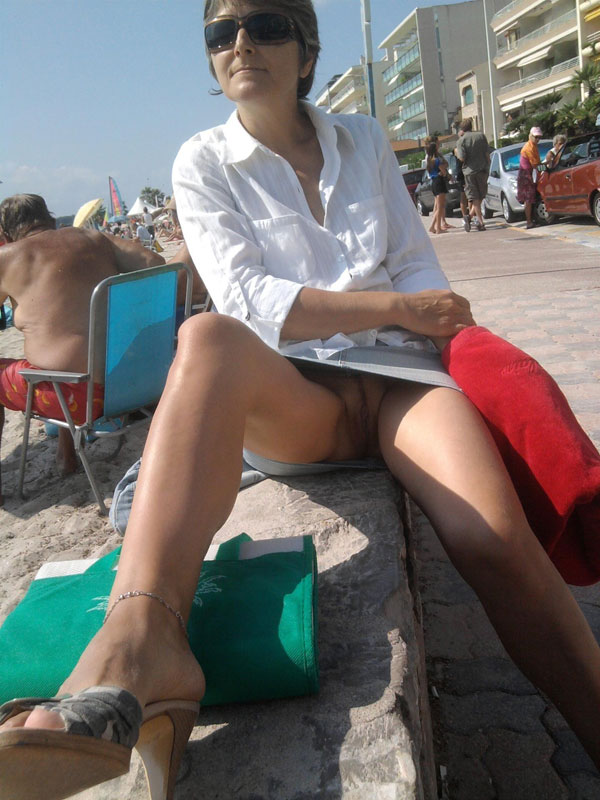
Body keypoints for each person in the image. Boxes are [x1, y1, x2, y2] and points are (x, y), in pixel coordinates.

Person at [2, 4, 600, 799]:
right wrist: (396, 307)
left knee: (489, 535)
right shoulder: (204, 160)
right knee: (208, 336)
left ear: (308, 48)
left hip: (401, 381)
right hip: (298, 393)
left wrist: (417, 310)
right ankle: (140, 640)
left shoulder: (364, 139)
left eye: (266, 24)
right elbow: (250, 303)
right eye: (221, 32)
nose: (241, 43)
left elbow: (416, 266)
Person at [0, 194, 163, 495]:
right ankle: (67, 454)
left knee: (52, 364)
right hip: (133, 384)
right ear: (49, 219)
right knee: (62, 355)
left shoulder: (8, 256)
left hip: (78, 400)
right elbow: (155, 263)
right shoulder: (94, 238)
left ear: (6, 234)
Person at [455, 118, 490, 231]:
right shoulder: (481, 136)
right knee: (481, 195)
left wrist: (457, 153)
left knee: (475, 197)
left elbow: (462, 158)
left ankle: (472, 218)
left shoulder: (461, 141)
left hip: (469, 172)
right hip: (482, 170)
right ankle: (478, 221)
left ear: (462, 129)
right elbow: (487, 154)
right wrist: (488, 166)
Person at [517, 126, 543, 229]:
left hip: (529, 174)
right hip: (525, 175)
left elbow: (538, 163)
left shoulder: (534, 146)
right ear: (531, 136)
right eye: (536, 137)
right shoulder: (529, 147)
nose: (538, 139)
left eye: (539, 137)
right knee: (528, 199)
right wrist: (544, 167)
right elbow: (535, 164)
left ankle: (531, 220)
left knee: (531, 198)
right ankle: (528, 221)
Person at [425, 141, 450, 234]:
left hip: (434, 182)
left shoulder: (429, 161)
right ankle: (438, 228)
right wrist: (445, 174)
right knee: (440, 206)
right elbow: (443, 170)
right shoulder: (436, 160)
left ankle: (433, 226)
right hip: (439, 181)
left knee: (437, 206)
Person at [454, 130, 470, 231]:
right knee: (463, 196)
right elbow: (461, 158)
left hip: (467, 172)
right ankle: (464, 216)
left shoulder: (465, 147)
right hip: (461, 173)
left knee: (470, 197)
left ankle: (470, 216)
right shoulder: (457, 148)